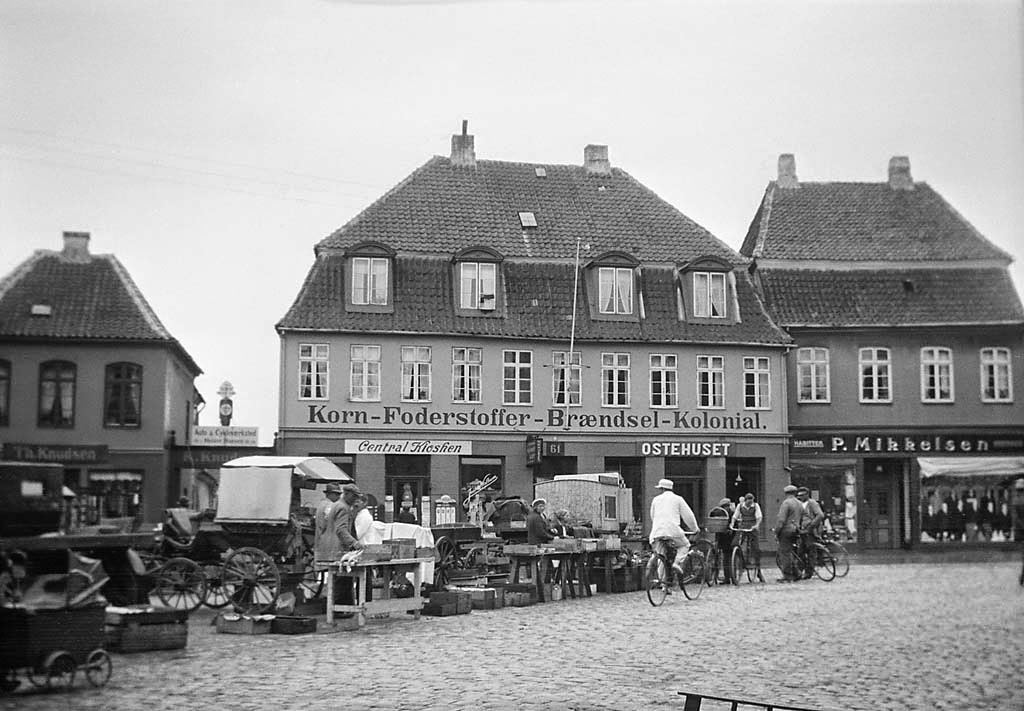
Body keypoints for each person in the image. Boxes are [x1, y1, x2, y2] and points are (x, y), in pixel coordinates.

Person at [648, 478, 699, 585]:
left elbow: (653, 516)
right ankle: (676, 563)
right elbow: (688, 515)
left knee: (661, 555)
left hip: (657, 532)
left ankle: (663, 583)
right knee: (684, 545)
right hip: (673, 531)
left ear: (661, 489)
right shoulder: (678, 499)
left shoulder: (656, 500)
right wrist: (695, 528)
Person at [731, 492, 764, 582]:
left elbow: (759, 516)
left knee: (756, 548)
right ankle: (739, 561)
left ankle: (759, 571)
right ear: (745, 501)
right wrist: (732, 523)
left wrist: (756, 525)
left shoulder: (756, 506)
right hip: (743, 527)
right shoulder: (740, 506)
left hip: (752, 528)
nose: (750, 504)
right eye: (749, 502)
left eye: (752, 502)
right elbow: (735, 516)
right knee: (736, 543)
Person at [775, 483, 803, 583]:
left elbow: (781, 520)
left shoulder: (786, 503)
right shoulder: (799, 503)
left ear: (786, 493)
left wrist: (777, 531)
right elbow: (802, 518)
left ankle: (787, 575)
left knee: (785, 553)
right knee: (791, 552)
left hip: (786, 530)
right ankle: (797, 573)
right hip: (796, 530)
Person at [796, 487, 824, 579]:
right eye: (799, 495)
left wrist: (812, 525)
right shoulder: (799, 504)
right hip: (802, 530)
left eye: (802, 495)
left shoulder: (812, 503)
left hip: (811, 531)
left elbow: (820, 515)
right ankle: (800, 571)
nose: (800, 497)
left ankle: (809, 572)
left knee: (810, 551)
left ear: (807, 495)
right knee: (800, 551)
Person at [313, 483, 342, 563]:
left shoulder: (321, 504)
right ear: (329, 494)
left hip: (322, 541)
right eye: (336, 494)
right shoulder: (329, 506)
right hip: (328, 544)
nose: (338, 496)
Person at [713, 497, 736, 583]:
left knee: (727, 557)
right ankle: (728, 577)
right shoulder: (720, 513)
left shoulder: (732, 514)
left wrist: (731, 529)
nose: (726, 508)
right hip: (722, 537)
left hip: (729, 538)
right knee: (725, 557)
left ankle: (731, 577)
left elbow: (735, 524)